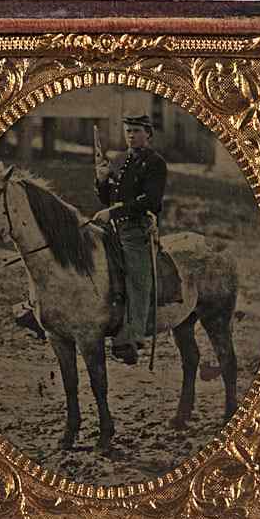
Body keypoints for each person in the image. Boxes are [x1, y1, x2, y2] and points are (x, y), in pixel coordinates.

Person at [93, 114, 167, 365]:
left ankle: (132, 335)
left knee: (137, 277)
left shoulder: (155, 163)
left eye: (136, 131)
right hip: (114, 228)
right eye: (128, 131)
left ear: (149, 134)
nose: (131, 135)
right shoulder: (123, 160)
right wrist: (102, 181)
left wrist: (114, 212)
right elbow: (108, 199)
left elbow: (151, 201)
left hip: (136, 231)